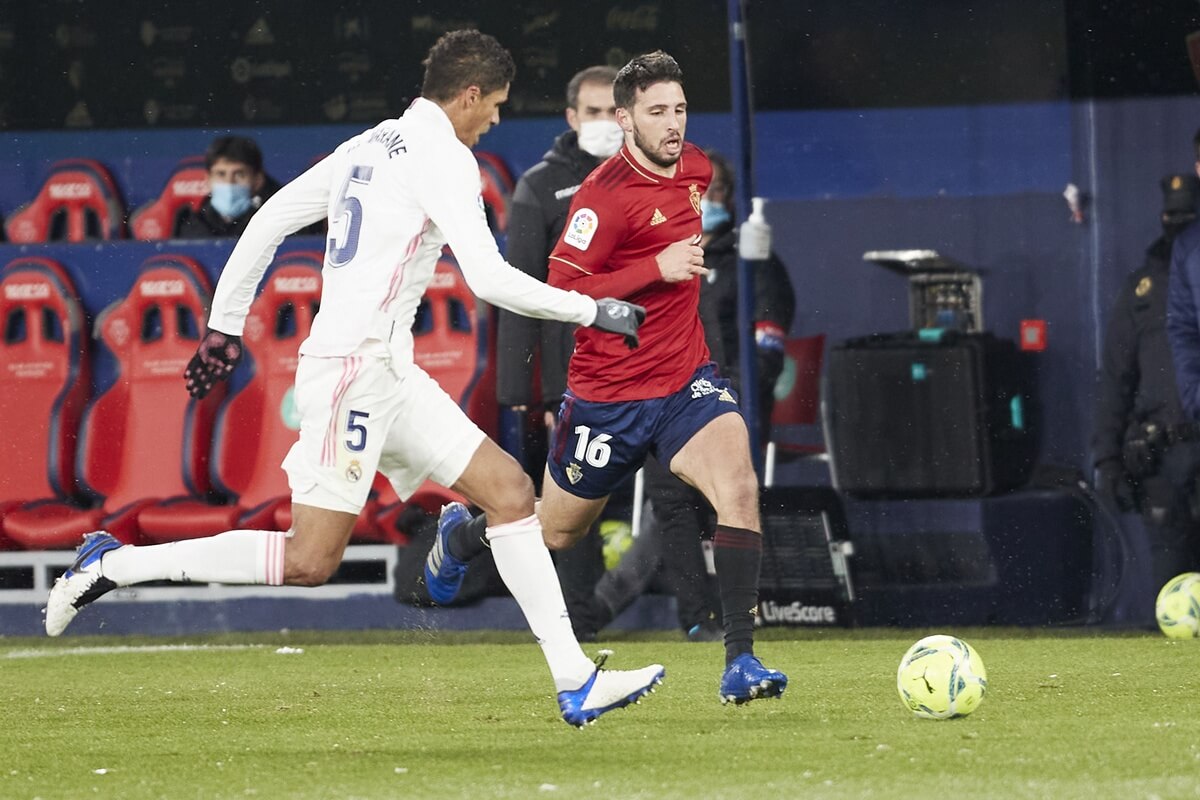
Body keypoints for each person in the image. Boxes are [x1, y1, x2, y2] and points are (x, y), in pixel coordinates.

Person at [44, 29, 664, 728]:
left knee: (510, 492)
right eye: (493, 104)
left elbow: (272, 219)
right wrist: (593, 308)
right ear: (466, 95)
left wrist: (225, 325)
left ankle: (573, 678)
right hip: (350, 376)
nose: (494, 119)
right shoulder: (445, 158)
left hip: (388, 370)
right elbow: (488, 279)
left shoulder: (372, 143)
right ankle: (110, 565)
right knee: (312, 560)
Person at [428, 50, 787, 705]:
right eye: (657, 112)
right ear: (626, 120)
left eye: (679, 109)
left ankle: (740, 660)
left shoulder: (698, 170)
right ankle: (465, 533)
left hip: (684, 381)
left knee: (737, 485)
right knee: (560, 529)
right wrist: (657, 266)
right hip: (606, 396)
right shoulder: (601, 198)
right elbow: (561, 287)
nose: (673, 123)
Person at [177, 136, 280, 239]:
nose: (229, 182)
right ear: (208, 179)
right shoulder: (191, 225)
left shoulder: (276, 223)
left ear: (257, 180)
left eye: (239, 174)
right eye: (221, 174)